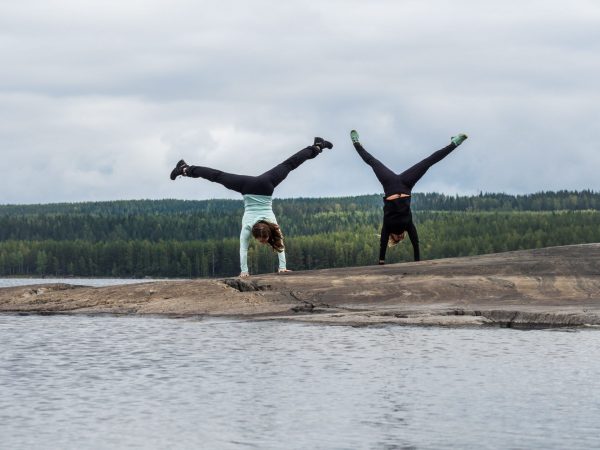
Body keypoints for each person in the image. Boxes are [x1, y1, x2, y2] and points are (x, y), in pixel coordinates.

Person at [170, 137, 333, 277]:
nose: (263, 242)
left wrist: (246, 271)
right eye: (264, 240)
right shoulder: (268, 225)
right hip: (261, 185)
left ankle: (184, 168)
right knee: (288, 165)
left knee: (288, 164)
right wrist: (274, 269)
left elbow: (245, 249)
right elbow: (270, 247)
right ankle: (317, 146)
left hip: (257, 185)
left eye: (263, 240)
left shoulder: (252, 226)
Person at [350, 130, 467, 264]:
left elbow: (382, 243)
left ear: (392, 237)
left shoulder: (387, 228)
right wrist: (417, 262)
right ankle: (454, 143)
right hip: (406, 185)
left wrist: (381, 261)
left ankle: (356, 143)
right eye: (401, 238)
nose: (400, 236)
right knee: (427, 162)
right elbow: (415, 242)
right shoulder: (408, 225)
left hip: (389, 185)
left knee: (372, 161)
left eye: (397, 238)